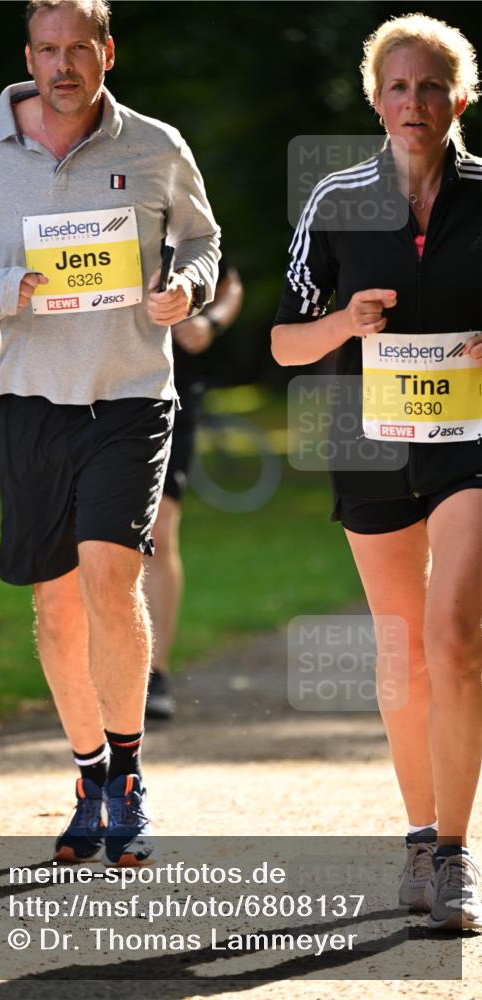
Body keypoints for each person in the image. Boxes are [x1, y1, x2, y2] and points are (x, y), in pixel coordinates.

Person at [0, 0, 219, 866]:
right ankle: (89, 773)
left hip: (131, 394)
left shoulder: (156, 143)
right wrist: (1, 281)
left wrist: (189, 290)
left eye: (79, 50)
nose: (63, 66)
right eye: (47, 51)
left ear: (107, 52)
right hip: (26, 396)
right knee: (55, 605)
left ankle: (129, 779)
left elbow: (202, 241)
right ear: (30, 54)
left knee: (109, 574)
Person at [272, 13, 481, 930]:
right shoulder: (334, 200)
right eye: (397, 86)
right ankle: (416, 838)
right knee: (401, 651)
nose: (413, 101)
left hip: (470, 444)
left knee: (455, 635)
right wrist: (343, 325)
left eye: (430, 85)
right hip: (368, 442)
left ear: (459, 97)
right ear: (374, 99)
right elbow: (282, 341)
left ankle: (456, 855)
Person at [144, 256, 243, 719]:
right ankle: (100, 669)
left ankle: (154, 673)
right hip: (91, 387)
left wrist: (211, 323)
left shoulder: (180, 201)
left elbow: (230, 285)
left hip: (171, 389)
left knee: (159, 532)